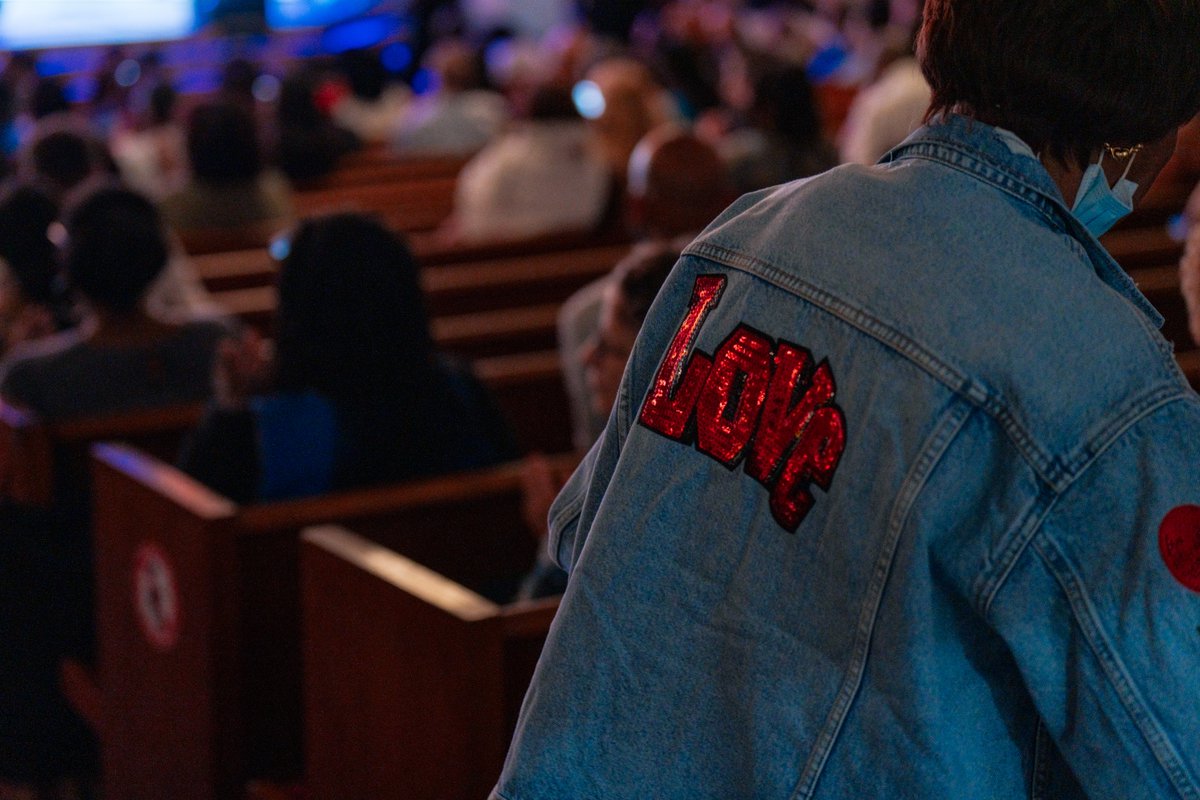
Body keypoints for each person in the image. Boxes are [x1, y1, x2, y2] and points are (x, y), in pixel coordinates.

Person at [494, 1, 1200, 798]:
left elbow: (587, 532)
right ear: (1136, 137)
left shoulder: (744, 235)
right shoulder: (1098, 375)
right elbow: (1177, 745)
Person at [179, 213, 517, 504]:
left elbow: (198, 516)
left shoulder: (271, 427)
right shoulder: (459, 391)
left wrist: (230, 409)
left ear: (296, 310)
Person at [518, 242, 680, 600]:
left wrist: (555, 537)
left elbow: (556, 618)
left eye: (609, 347)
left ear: (655, 368)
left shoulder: (634, 488)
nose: (587, 356)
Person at [0, 185, 227, 421]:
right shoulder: (215, 343)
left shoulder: (29, 377)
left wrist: (27, 352)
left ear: (68, 268)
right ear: (157, 258)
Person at [447, 84, 610, 243]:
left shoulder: (511, 156)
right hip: (576, 253)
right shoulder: (596, 154)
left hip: (507, 254)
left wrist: (469, 228)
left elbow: (477, 199)